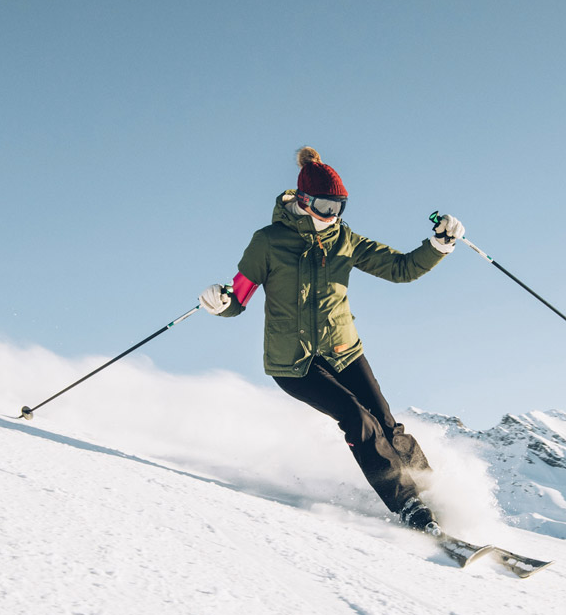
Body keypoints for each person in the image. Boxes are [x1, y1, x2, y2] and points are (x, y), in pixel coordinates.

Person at [199, 147, 464, 533]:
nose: (331, 216)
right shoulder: (268, 242)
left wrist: (438, 246)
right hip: (294, 364)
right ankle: (409, 506)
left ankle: (432, 492)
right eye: (325, 206)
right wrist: (219, 303)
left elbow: (402, 268)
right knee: (358, 420)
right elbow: (239, 295)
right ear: (303, 201)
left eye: (339, 207)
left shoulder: (345, 240)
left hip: (343, 351)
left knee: (388, 426)